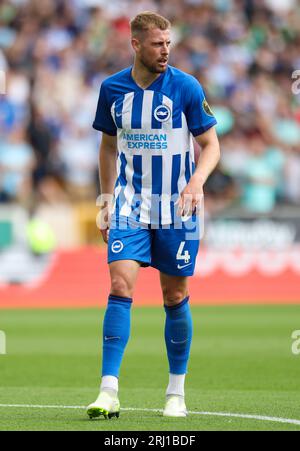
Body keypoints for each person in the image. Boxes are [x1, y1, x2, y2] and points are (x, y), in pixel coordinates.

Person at [87, 11, 220, 419]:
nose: (166, 50)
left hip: (177, 207)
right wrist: (107, 198)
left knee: (174, 295)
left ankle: (175, 394)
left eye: (169, 43)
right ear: (136, 44)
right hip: (130, 204)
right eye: (158, 44)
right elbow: (108, 147)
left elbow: (211, 145)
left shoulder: (185, 87)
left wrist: (196, 182)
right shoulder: (112, 90)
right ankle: (108, 391)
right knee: (120, 284)